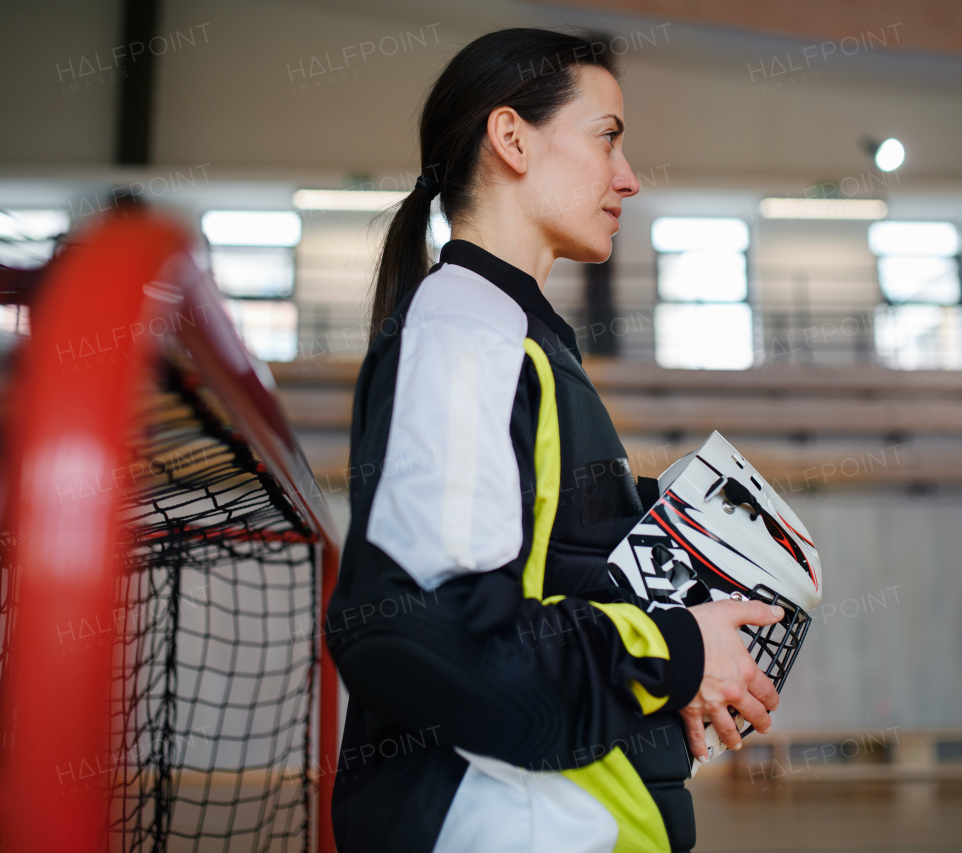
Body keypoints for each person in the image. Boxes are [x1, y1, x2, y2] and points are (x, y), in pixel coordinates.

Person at [327, 27, 784, 853]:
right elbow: (426, 631)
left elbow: (537, 596)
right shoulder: (468, 332)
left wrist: (667, 647)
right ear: (511, 138)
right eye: (607, 136)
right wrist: (675, 652)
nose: (629, 177)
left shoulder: (515, 337)